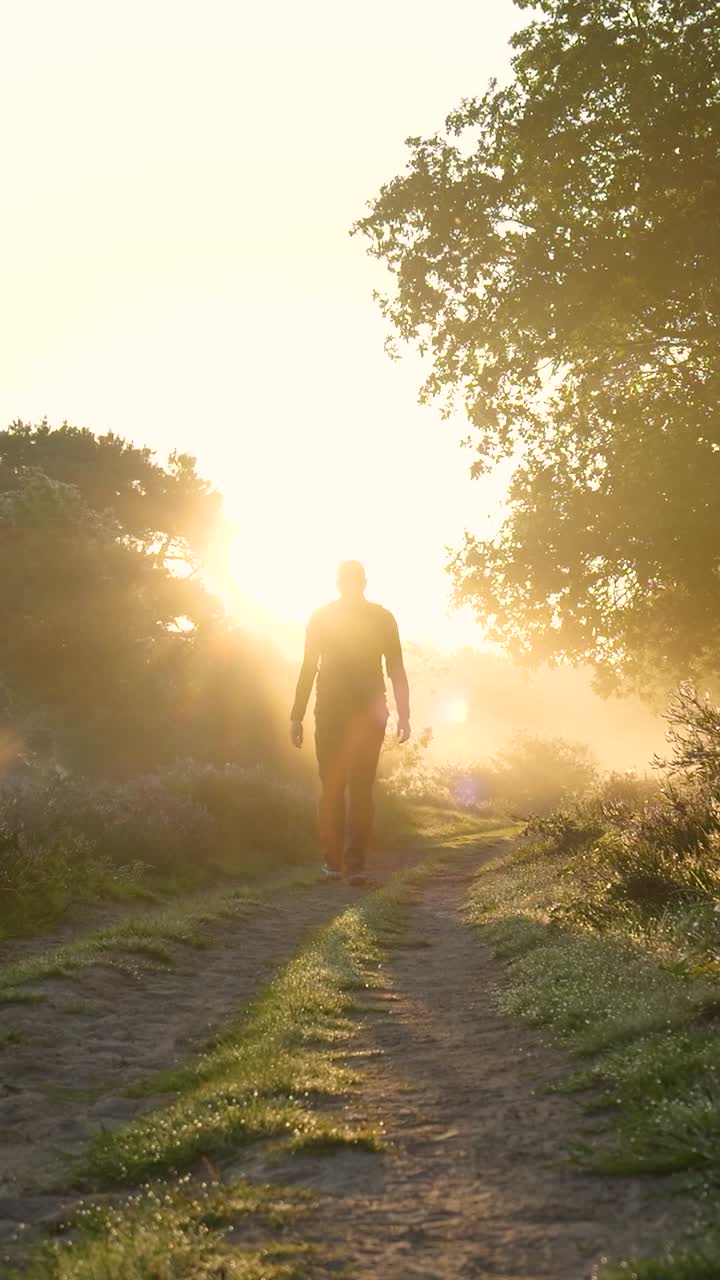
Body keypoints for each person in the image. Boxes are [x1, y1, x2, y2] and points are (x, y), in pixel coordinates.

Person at [290, 560, 410, 885]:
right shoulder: (382, 618)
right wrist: (404, 713)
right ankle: (353, 864)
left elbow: (308, 667)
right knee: (359, 789)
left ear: (339, 582)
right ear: (364, 582)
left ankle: (335, 864)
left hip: (332, 712)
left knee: (333, 788)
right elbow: (395, 668)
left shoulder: (322, 617)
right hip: (365, 714)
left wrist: (296, 715)